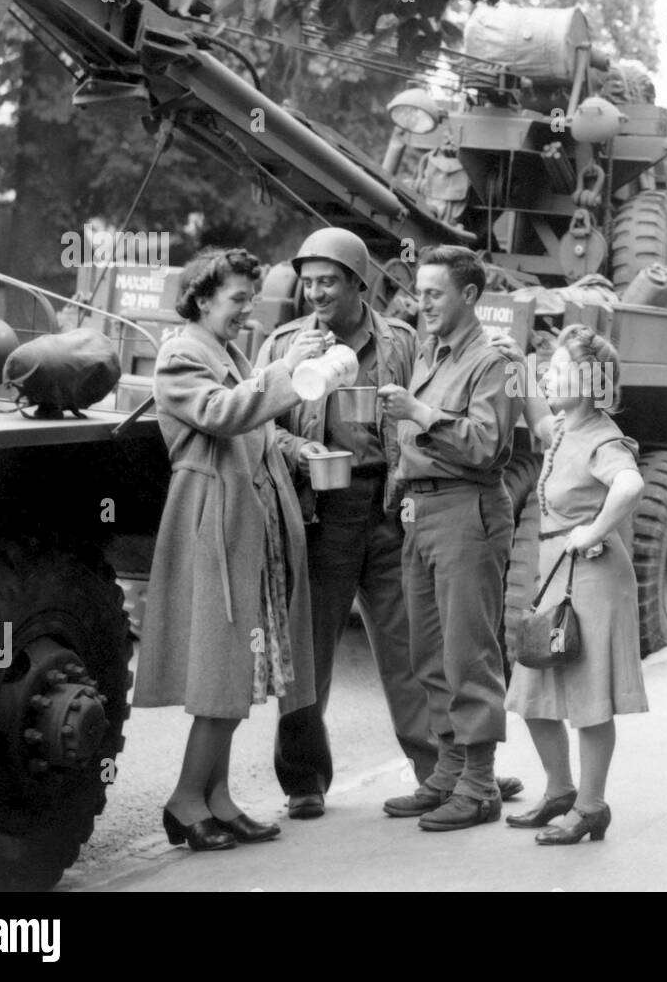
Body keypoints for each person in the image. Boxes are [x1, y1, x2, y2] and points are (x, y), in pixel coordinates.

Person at [134, 247, 322, 851]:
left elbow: (256, 429)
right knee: (223, 669)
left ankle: (217, 798)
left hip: (247, 526)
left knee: (242, 669)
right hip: (213, 521)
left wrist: (296, 451)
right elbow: (220, 415)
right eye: (238, 299)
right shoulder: (182, 353)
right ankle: (185, 801)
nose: (247, 311)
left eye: (251, 299)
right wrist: (288, 370)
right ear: (204, 296)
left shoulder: (232, 352)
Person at [258, 228, 439, 820]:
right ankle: (304, 781)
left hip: (387, 509)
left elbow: (430, 412)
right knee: (306, 655)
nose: (314, 292)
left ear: (359, 284)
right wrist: (297, 451)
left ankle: (436, 773)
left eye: (328, 281)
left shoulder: (404, 344)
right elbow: (258, 423)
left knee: (410, 648)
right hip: (319, 514)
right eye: (308, 281)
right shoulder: (285, 344)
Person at [378, 244, 523, 831]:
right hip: (422, 512)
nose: (423, 303)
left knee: (470, 653)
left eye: (434, 293)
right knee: (429, 654)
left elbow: (487, 446)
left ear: (469, 296)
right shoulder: (431, 352)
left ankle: (481, 784)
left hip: (468, 512)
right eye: (420, 292)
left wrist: (418, 412)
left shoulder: (494, 361)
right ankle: (449, 770)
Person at [504, 326, 648, 844]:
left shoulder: (603, 436)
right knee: (532, 688)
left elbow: (630, 483)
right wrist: (518, 369)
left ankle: (590, 808)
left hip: (592, 577)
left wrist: (594, 530)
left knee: (589, 700)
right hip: (557, 574)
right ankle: (560, 791)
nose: (549, 376)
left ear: (590, 382)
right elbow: (540, 419)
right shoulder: (566, 426)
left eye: (559, 370)